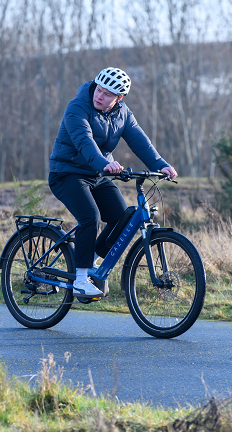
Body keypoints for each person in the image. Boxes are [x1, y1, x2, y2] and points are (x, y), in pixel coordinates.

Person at [48, 67, 177, 298]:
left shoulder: (123, 114)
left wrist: (161, 165)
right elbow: (84, 141)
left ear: (119, 98)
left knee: (122, 216)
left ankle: (91, 263)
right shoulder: (77, 107)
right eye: (99, 90)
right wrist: (103, 163)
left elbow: (140, 141)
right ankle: (80, 279)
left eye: (107, 94)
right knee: (90, 217)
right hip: (66, 173)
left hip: (98, 175)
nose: (100, 96)